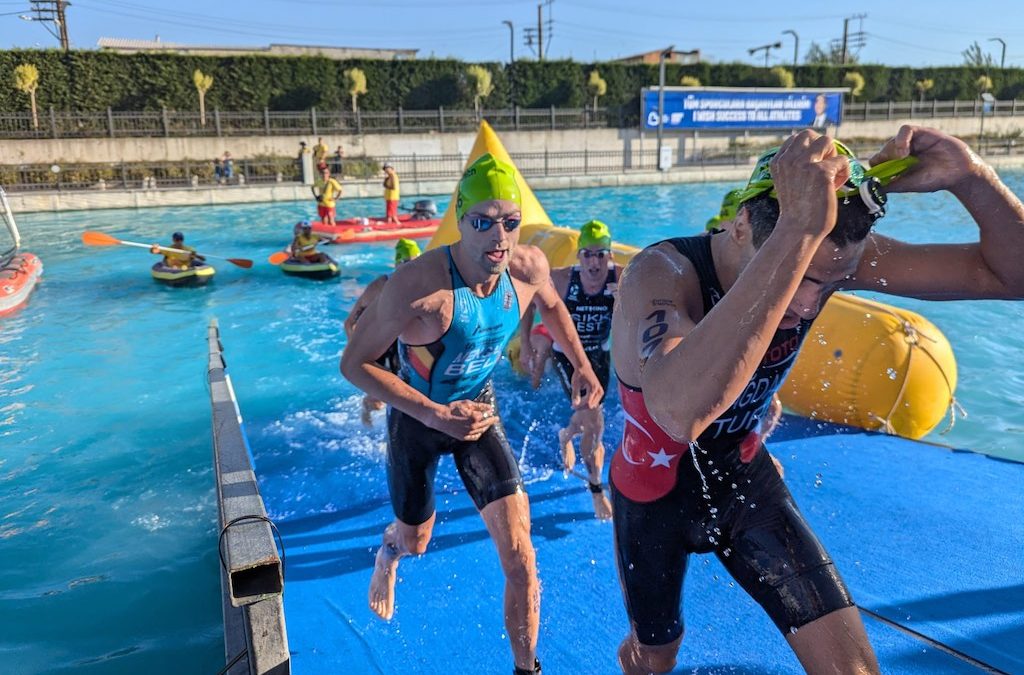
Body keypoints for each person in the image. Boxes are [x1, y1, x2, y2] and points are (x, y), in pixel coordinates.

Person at [608, 125, 1024, 675]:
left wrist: (973, 178)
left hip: (745, 475)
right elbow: (678, 412)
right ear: (739, 229)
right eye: (799, 276)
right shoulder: (661, 275)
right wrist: (797, 234)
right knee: (654, 658)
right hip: (653, 494)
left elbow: (1007, 274)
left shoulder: (830, 255)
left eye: (830, 284)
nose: (807, 305)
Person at [341, 153, 603, 675]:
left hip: (479, 413)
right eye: (482, 222)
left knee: (523, 561)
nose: (498, 236)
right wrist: (435, 414)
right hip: (418, 421)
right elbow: (353, 362)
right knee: (416, 540)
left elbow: (551, 306)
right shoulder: (418, 288)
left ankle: (526, 668)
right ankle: (387, 554)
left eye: (509, 221)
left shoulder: (526, 267)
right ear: (459, 221)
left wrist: (581, 363)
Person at [518, 219, 621, 520]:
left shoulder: (621, 280)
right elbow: (530, 302)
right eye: (587, 254)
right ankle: (596, 491)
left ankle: (566, 435)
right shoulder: (563, 280)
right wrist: (525, 343)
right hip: (569, 358)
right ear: (579, 257)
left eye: (601, 254)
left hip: (599, 357)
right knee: (594, 421)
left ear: (610, 256)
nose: (594, 262)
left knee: (589, 418)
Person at [344, 238, 422, 426]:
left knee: (405, 393)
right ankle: (367, 412)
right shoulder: (381, 285)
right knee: (378, 399)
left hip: (403, 345)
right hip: (380, 345)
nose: (411, 268)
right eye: (406, 263)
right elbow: (349, 322)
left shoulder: (423, 285)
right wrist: (357, 351)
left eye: (415, 262)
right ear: (397, 264)